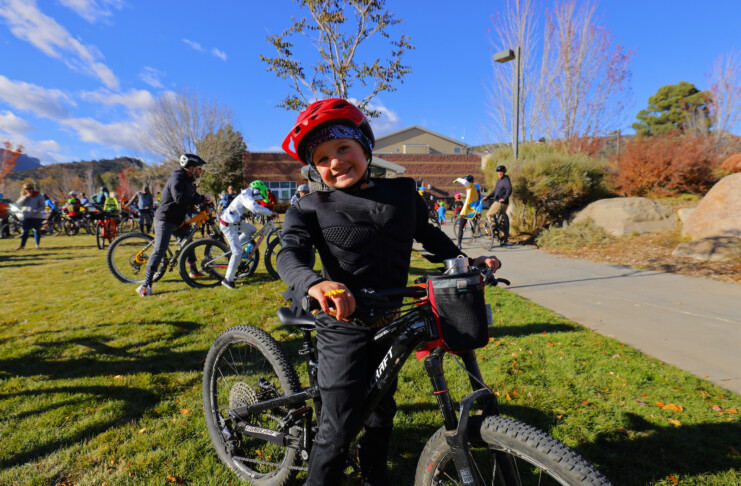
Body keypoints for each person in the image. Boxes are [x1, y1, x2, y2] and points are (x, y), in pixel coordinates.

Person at [276, 98, 500, 486]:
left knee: (381, 410)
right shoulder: (309, 208)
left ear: (365, 148)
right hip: (342, 320)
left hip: (390, 318)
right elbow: (289, 254)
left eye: (343, 148)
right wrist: (314, 283)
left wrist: (465, 261)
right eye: (322, 158)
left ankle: (374, 477)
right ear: (314, 168)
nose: (335, 162)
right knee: (338, 428)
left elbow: (429, 236)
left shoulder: (401, 195)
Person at [136, 154, 210, 297]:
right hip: (165, 219)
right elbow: (180, 198)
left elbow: (191, 197)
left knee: (188, 240)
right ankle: (146, 284)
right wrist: (200, 199)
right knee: (160, 250)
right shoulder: (177, 178)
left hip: (176, 219)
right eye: (199, 168)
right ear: (191, 167)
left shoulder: (188, 180)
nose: (201, 171)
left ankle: (193, 270)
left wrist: (203, 201)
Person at [219, 187, 274, 289]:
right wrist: (270, 212)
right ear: (256, 193)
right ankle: (228, 279)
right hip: (228, 225)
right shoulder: (246, 196)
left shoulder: (248, 195)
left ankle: (237, 246)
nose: (258, 201)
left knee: (252, 229)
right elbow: (254, 207)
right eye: (258, 199)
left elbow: (254, 207)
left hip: (235, 222)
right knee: (237, 252)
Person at [483, 165, 512, 240]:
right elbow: (495, 192)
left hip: (500, 202)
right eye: (498, 172)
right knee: (501, 220)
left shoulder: (506, 180)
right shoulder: (499, 181)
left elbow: (509, 189)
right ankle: (503, 237)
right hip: (502, 201)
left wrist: (504, 198)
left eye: (501, 172)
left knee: (489, 214)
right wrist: (487, 197)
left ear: (504, 172)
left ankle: (494, 229)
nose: (499, 173)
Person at [453, 174, 482, 248]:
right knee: (474, 221)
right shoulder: (477, 186)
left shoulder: (470, 186)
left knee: (461, 227)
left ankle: (459, 244)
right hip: (476, 208)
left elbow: (465, 182)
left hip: (468, 209)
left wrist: (457, 179)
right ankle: (476, 232)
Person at [15, 183, 46, 250]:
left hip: (36, 216)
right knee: (25, 231)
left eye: (30, 188)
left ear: (32, 188)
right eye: (26, 189)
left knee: (36, 230)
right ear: (24, 190)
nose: (28, 190)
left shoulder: (38, 195)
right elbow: (18, 203)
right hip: (26, 216)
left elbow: (43, 206)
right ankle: (22, 246)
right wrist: (26, 197)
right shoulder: (23, 196)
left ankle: (37, 245)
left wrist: (36, 211)